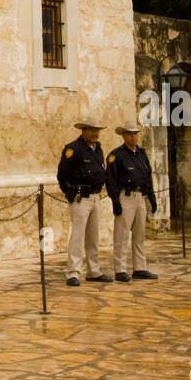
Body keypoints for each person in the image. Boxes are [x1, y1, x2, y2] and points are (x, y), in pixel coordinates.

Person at [57, 117, 112, 286]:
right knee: (78, 236)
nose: (95, 133)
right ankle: (73, 272)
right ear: (83, 131)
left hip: (96, 196)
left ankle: (93, 271)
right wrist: (70, 193)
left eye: (97, 130)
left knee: (93, 236)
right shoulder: (73, 149)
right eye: (91, 130)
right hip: (81, 197)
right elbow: (62, 175)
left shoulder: (98, 149)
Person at [106, 121, 158, 282]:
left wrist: (151, 196)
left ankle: (140, 268)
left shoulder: (141, 154)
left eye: (135, 133)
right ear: (123, 136)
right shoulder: (117, 155)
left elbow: (147, 175)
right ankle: (120, 269)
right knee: (121, 236)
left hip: (140, 197)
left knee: (139, 235)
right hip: (125, 197)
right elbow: (110, 180)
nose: (133, 136)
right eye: (130, 133)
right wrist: (115, 200)